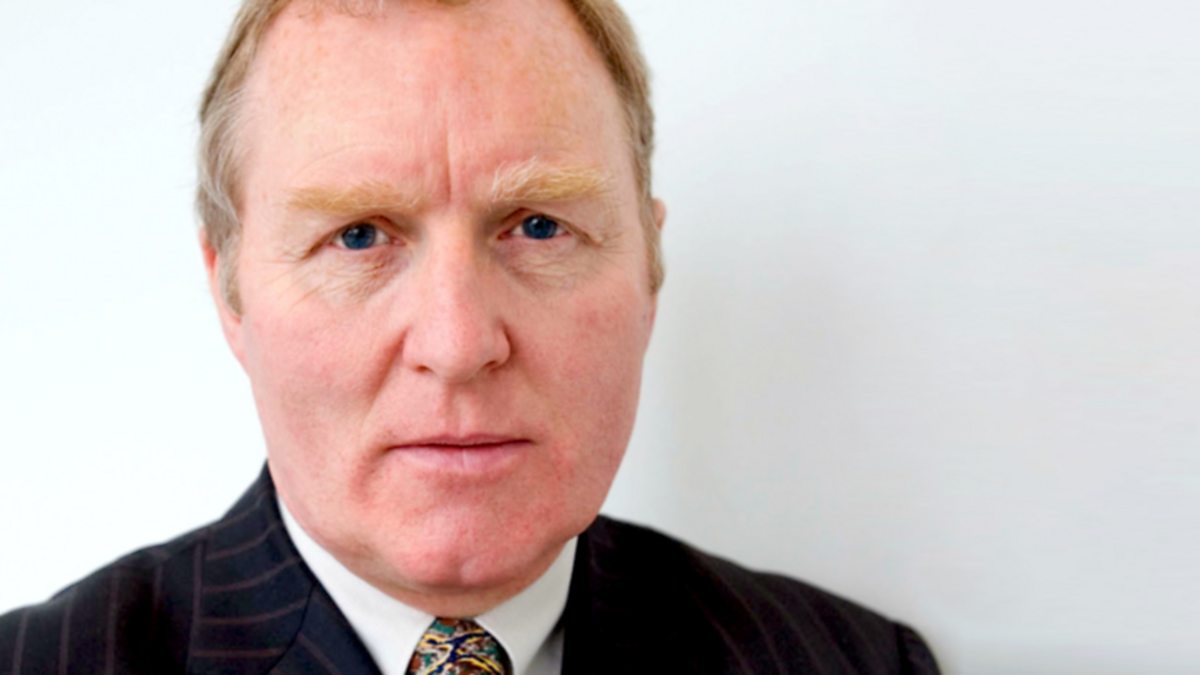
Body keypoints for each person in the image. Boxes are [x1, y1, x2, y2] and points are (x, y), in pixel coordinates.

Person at [0, 0, 939, 672]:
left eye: (538, 226)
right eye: (358, 236)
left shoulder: (855, 660)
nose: (456, 344)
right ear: (229, 294)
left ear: (650, 270)